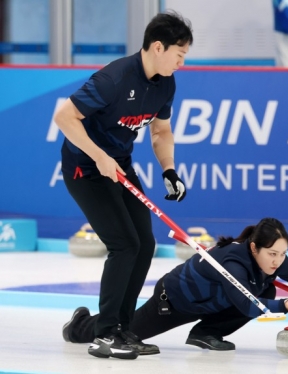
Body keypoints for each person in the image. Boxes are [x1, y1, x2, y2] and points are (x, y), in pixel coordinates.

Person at [54, 11, 193, 360]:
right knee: (125, 245)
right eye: (180, 53)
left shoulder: (165, 83)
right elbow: (64, 117)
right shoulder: (114, 79)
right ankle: (105, 336)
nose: (181, 62)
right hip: (86, 168)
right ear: (158, 47)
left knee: (144, 243)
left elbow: (160, 132)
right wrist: (98, 155)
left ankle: (120, 327)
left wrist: (169, 170)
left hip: (119, 166)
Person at [62, 218, 288, 356]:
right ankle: (79, 326)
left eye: (282, 254)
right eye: (272, 254)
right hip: (173, 302)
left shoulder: (272, 259)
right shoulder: (233, 263)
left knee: (267, 290)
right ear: (254, 249)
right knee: (128, 331)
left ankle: (206, 332)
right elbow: (248, 306)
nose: (277, 261)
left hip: (211, 303)